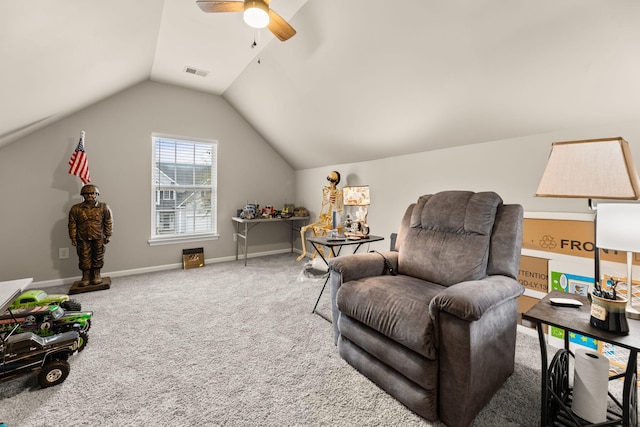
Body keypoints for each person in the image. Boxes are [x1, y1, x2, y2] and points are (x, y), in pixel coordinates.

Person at [68, 184, 113, 286]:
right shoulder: (76, 209)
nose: (90, 196)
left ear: (96, 194)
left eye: (92, 193)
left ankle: (96, 275)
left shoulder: (103, 207)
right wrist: (73, 237)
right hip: (82, 236)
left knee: (98, 256)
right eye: (87, 194)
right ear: (83, 195)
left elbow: (108, 221)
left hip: (98, 236)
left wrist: (108, 235)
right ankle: (85, 277)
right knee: (84, 256)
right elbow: (72, 224)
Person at [296, 171, 343, 261]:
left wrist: (334, 204)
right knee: (303, 229)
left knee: (334, 237)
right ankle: (305, 252)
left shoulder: (339, 193)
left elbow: (338, 209)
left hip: (333, 218)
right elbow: (323, 204)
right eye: (329, 180)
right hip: (324, 217)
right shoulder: (326, 190)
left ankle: (329, 260)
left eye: (332, 180)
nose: (330, 183)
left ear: (336, 181)